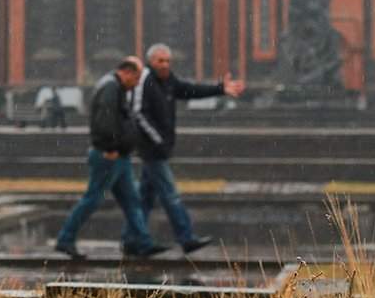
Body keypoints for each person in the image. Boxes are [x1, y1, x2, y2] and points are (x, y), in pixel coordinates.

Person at [130, 44, 246, 255]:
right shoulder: (145, 80)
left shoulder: (168, 81)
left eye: (167, 61)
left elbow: (190, 90)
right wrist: (157, 140)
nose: (165, 65)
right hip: (152, 150)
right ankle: (186, 238)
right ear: (151, 61)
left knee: (144, 199)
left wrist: (220, 89)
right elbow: (138, 114)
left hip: (160, 148)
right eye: (160, 61)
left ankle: (131, 239)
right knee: (170, 195)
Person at [51, 57, 164, 259]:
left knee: (132, 201)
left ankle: (142, 242)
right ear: (127, 72)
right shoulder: (111, 87)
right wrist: (110, 147)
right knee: (92, 200)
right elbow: (105, 121)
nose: (136, 84)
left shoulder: (115, 87)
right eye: (136, 78)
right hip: (110, 155)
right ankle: (65, 239)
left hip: (120, 156)